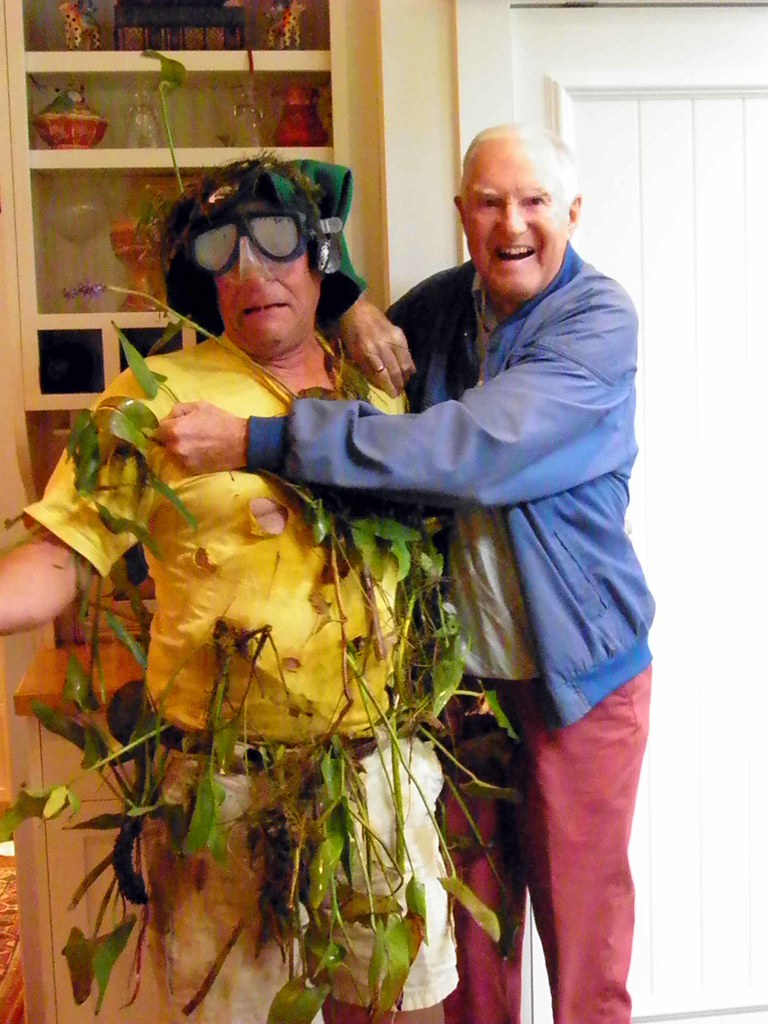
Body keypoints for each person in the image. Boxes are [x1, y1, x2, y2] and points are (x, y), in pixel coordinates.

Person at [154, 123, 656, 1024]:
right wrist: (349, 304)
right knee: (469, 952)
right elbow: (301, 232)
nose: (512, 223)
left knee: (585, 949)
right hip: (456, 697)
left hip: (577, 686)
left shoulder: (597, 322)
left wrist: (261, 441)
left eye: (535, 202)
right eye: (490, 202)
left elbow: (469, 450)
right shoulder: (436, 310)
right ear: (462, 213)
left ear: (573, 213)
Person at [0, 155, 458, 1024]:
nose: (250, 272)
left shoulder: (377, 385)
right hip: (224, 790)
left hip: (375, 775)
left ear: (320, 259)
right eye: (221, 251)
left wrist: (357, 303)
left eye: (276, 242)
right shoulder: (150, 401)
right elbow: (61, 559)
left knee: (404, 1008)